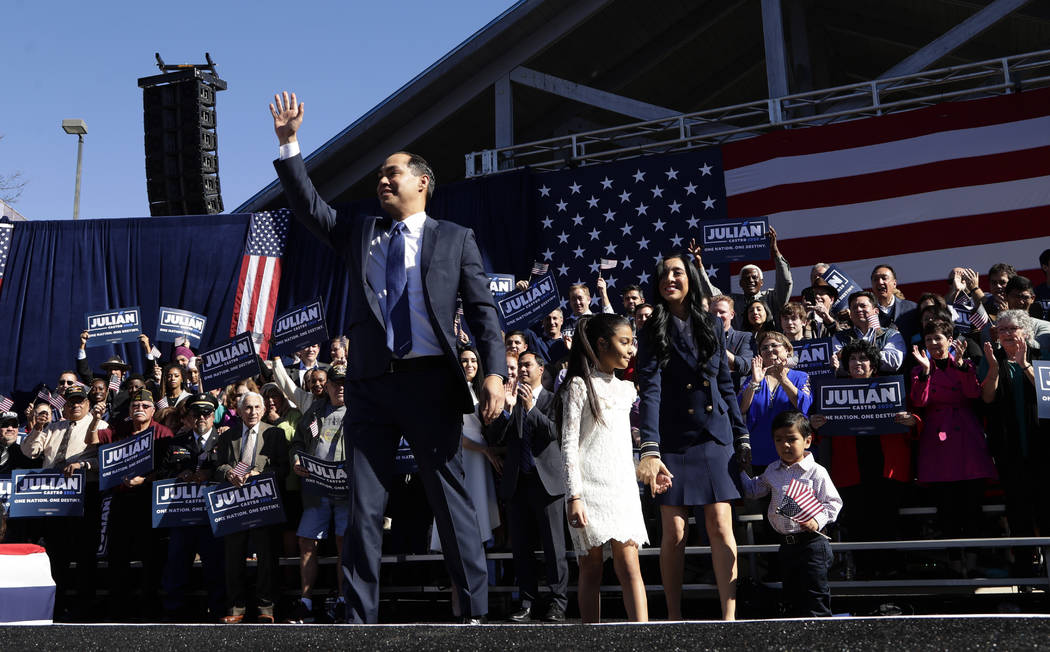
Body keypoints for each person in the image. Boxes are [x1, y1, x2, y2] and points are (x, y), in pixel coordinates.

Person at [271, 91, 507, 624]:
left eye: (392, 172)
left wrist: (494, 373)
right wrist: (290, 146)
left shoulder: (455, 239)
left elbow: (484, 313)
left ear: (422, 182)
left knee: (452, 503)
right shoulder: (361, 233)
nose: (382, 180)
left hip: (430, 385)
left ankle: (474, 614)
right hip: (372, 386)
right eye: (379, 175)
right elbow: (310, 207)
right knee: (363, 507)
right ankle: (359, 620)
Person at [635, 253, 751, 621]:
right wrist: (649, 449)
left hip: (715, 438)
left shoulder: (711, 324)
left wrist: (741, 435)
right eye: (664, 273)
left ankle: (729, 617)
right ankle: (673, 617)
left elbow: (725, 384)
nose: (670, 278)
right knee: (674, 533)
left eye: (678, 272)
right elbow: (649, 390)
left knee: (720, 525)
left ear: (690, 279)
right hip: (673, 440)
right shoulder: (651, 328)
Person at [559, 313, 648, 623]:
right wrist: (575, 496)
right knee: (591, 567)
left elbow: (621, 445)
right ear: (601, 343)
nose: (630, 349)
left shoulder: (627, 389)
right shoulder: (579, 385)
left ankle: (644, 638)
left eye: (632, 342)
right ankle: (590, 638)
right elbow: (569, 443)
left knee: (630, 565)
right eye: (624, 342)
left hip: (622, 489)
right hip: (589, 491)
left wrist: (644, 469)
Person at [812, 339, 914, 578]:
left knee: (888, 524)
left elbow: (915, 424)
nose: (858, 363)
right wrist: (816, 425)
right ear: (846, 365)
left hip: (887, 470)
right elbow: (818, 436)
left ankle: (892, 575)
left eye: (864, 359)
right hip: (850, 471)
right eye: (853, 359)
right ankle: (865, 576)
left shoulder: (893, 388)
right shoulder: (832, 391)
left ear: (874, 364)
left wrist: (911, 421)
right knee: (857, 525)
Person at [739, 410, 842, 617]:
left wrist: (817, 520)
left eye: (791, 439)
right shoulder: (772, 470)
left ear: (807, 441)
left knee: (815, 594)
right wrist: (739, 469)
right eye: (779, 440)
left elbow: (834, 502)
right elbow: (753, 490)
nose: (785, 445)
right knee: (791, 595)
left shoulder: (816, 472)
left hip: (813, 544)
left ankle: (821, 635)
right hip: (786, 545)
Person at [20, 384, 107, 620]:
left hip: (84, 495)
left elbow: (107, 461)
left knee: (84, 553)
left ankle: (84, 606)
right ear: (65, 406)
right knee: (56, 555)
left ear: (88, 404)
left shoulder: (101, 426)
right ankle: (55, 606)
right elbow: (30, 452)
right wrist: (37, 428)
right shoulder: (53, 427)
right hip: (52, 498)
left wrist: (84, 465)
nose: (76, 405)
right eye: (71, 402)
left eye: (80, 401)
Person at [910, 319, 997, 557]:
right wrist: (926, 371)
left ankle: (975, 559)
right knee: (945, 507)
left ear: (950, 341)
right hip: (937, 441)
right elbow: (920, 402)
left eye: (938, 338)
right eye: (929, 340)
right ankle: (953, 563)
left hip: (967, 438)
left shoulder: (966, 364)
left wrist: (960, 367)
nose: (933, 343)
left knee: (971, 506)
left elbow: (973, 394)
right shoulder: (919, 370)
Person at [493, 350, 567, 622]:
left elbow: (552, 432)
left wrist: (529, 410)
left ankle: (557, 601)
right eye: (519, 366)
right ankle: (527, 600)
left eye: (527, 365)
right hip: (517, 483)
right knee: (521, 548)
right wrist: (508, 410)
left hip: (546, 482)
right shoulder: (510, 400)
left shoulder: (551, 399)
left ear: (540, 369)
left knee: (553, 547)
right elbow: (496, 437)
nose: (522, 370)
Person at [89, 388, 175, 620]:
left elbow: (168, 470)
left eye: (145, 406)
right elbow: (92, 439)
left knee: (151, 557)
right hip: (121, 501)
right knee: (118, 556)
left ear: (153, 410)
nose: (139, 409)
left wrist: (145, 479)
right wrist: (96, 418)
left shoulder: (163, 433)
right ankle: (118, 608)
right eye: (135, 406)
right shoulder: (120, 430)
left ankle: (148, 607)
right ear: (129, 410)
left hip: (149, 501)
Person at [978, 310, 1049, 576]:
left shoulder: (1040, 355)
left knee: (1047, 511)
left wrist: (1024, 365)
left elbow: (1047, 396)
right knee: (1018, 514)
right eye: (1002, 329)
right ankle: (1025, 577)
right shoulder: (992, 359)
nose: (1006, 333)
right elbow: (987, 399)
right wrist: (995, 368)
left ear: (1026, 332)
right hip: (1010, 451)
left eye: (1012, 328)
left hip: (1043, 451)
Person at [214, 391, 290, 623]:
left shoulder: (275, 434)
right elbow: (218, 467)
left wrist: (262, 475)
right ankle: (236, 609)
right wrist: (229, 474)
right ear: (238, 410)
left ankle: (266, 607)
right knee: (233, 557)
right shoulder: (229, 436)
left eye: (257, 407)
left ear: (264, 409)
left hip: (264, 504)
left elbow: (284, 469)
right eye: (247, 408)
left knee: (267, 558)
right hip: (234, 507)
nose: (253, 412)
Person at [158, 392, 226, 622]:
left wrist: (211, 472)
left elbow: (231, 471)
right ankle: (174, 609)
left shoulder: (224, 440)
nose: (201, 417)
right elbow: (163, 474)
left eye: (206, 413)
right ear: (189, 416)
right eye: (196, 413)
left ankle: (217, 609)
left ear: (213, 416)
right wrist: (179, 475)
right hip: (182, 514)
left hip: (212, 515)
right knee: (176, 561)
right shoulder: (177, 442)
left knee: (215, 564)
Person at [288, 366, 348, 624]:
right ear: (329, 385)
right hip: (316, 486)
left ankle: (345, 600)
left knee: (344, 542)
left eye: (345, 383)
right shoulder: (315, 410)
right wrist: (296, 460)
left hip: (347, 488)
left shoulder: (361, 409)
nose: (340, 388)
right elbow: (298, 443)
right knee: (306, 542)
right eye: (336, 383)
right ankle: (306, 602)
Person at [694, 227, 794, 329]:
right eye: (746, 278)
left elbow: (785, 283)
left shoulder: (772, 298)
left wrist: (775, 252)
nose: (750, 280)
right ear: (740, 283)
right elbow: (711, 292)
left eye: (754, 278)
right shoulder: (733, 302)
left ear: (761, 282)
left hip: (768, 343)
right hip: (739, 344)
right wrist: (699, 264)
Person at [739, 331, 813, 469]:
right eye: (764, 348)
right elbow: (741, 408)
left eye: (774, 345)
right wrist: (755, 382)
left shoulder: (800, 377)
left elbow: (804, 405)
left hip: (792, 455)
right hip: (760, 453)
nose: (769, 350)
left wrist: (783, 379)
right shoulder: (752, 379)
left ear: (787, 349)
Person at [831, 291, 906, 375]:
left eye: (863, 306)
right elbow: (836, 366)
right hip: (851, 386)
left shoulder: (891, 334)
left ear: (876, 311)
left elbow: (894, 361)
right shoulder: (839, 337)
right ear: (850, 313)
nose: (858, 309)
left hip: (883, 386)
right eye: (854, 307)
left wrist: (850, 355)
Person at [709, 295, 754, 391]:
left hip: (734, 394)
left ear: (732, 314)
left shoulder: (744, 337)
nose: (717, 316)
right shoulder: (701, 337)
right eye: (713, 312)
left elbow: (745, 366)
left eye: (722, 312)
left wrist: (717, 347)